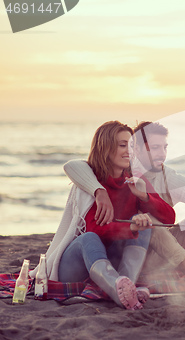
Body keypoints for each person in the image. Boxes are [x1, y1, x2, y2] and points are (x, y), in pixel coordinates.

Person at [63, 121, 185, 281]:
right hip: (126, 253)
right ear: (136, 149)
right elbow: (75, 165)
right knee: (149, 224)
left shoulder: (168, 177)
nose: (162, 154)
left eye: (164, 147)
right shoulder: (123, 171)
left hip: (159, 253)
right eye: (154, 148)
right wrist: (98, 190)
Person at [30, 121, 176, 310]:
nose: (128, 151)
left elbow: (169, 218)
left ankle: (125, 285)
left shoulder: (135, 179)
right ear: (105, 147)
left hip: (111, 259)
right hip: (77, 263)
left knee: (145, 228)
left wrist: (143, 196)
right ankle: (117, 290)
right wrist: (129, 225)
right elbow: (94, 229)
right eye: (122, 145)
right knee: (88, 238)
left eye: (131, 146)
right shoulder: (89, 182)